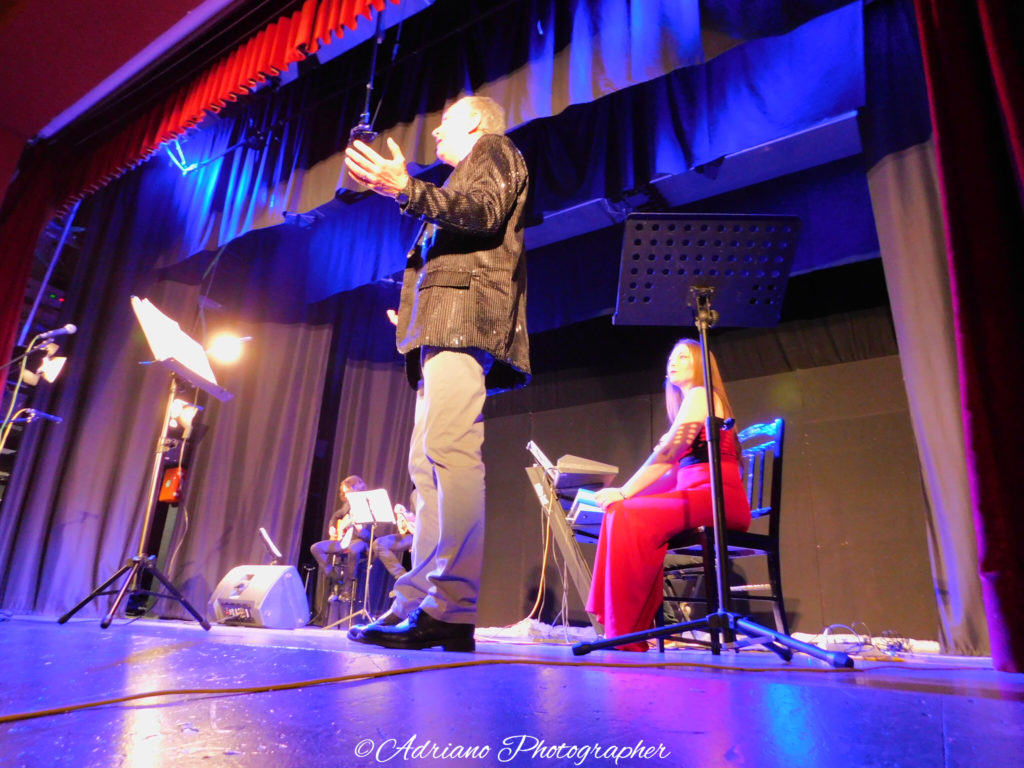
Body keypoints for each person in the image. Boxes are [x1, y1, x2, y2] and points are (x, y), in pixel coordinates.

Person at [343, 95, 530, 652]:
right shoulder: (459, 175)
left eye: (445, 122)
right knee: (425, 466)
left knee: (450, 453)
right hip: (440, 328)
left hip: (464, 326)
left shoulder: (494, 149)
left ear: (473, 122)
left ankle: (452, 606)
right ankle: (415, 602)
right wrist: (415, 315)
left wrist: (405, 187)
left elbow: (483, 215)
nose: (435, 133)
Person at [585, 339, 752, 651]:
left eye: (683, 357)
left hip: (716, 499)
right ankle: (625, 628)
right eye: (671, 357)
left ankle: (626, 631)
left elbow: (669, 456)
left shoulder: (701, 394)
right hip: (697, 495)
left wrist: (624, 491)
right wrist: (627, 496)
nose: (672, 362)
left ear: (701, 364)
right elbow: (674, 470)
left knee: (624, 512)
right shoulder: (692, 403)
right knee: (620, 511)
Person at [310, 475, 370, 604]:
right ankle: (336, 580)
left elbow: (369, 536)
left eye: (348, 492)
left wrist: (360, 530)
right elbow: (336, 516)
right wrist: (332, 526)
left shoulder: (368, 506)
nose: (346, 495)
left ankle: (347, 590)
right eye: (344, 492)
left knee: (354, 550)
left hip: (359, 541)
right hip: (343, 541)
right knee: (316, 548)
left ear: (357, 490)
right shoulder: (348, 504)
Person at [371, 502, 416, 579]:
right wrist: (403, 514)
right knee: (379, 544)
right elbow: (412, 518)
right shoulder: (415, 496)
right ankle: (403, 577)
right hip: (412, 535)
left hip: (428, 536)